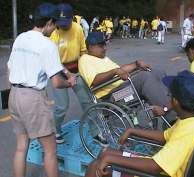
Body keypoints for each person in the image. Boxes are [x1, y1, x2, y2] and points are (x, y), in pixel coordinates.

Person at [84, 70, 194, 177]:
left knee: (95, 167)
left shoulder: (188, 131)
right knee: (105, 153)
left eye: (170, 94)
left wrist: (111, 159)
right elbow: (164, 136)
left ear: (176, 102)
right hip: (161, 166)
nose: (167, 94)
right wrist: (132, 131)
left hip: (154, 172)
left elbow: (155, 167)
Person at [7, 3, 75, 177]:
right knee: (50, 150)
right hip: (33, 98)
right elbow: (57, 83)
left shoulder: (20, 38)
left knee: (21, 147)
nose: (56, 29)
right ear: (49, 22)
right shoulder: (47, 44)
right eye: (56, 24)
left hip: (14, 95)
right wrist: (70, 82)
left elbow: (10, 69)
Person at [78, 32, 170, 109]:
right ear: (90, 47)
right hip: (113, 96)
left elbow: (120, 70)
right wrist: (114, 71)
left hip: (123, 88)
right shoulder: (85, 59)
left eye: (105, 44)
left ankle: (170, 106)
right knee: (144, 78)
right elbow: (94, 80)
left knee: (157, 72)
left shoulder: (102, 58)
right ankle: (170, 116)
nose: (105, 48)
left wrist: (136, 64)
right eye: (101, 45)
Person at [50, 3, 90, 143]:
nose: (63, 26)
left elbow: (83, 50)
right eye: (60, 23)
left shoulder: (78, 29)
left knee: (87, 101)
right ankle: (56, 130)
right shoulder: (54, 33)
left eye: (66, 22)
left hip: (76, 70)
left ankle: (97, 131)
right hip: (58, 71)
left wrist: (86, 68)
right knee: (62, 106)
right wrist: (68, 75)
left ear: (72, 18)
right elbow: (54, 60)